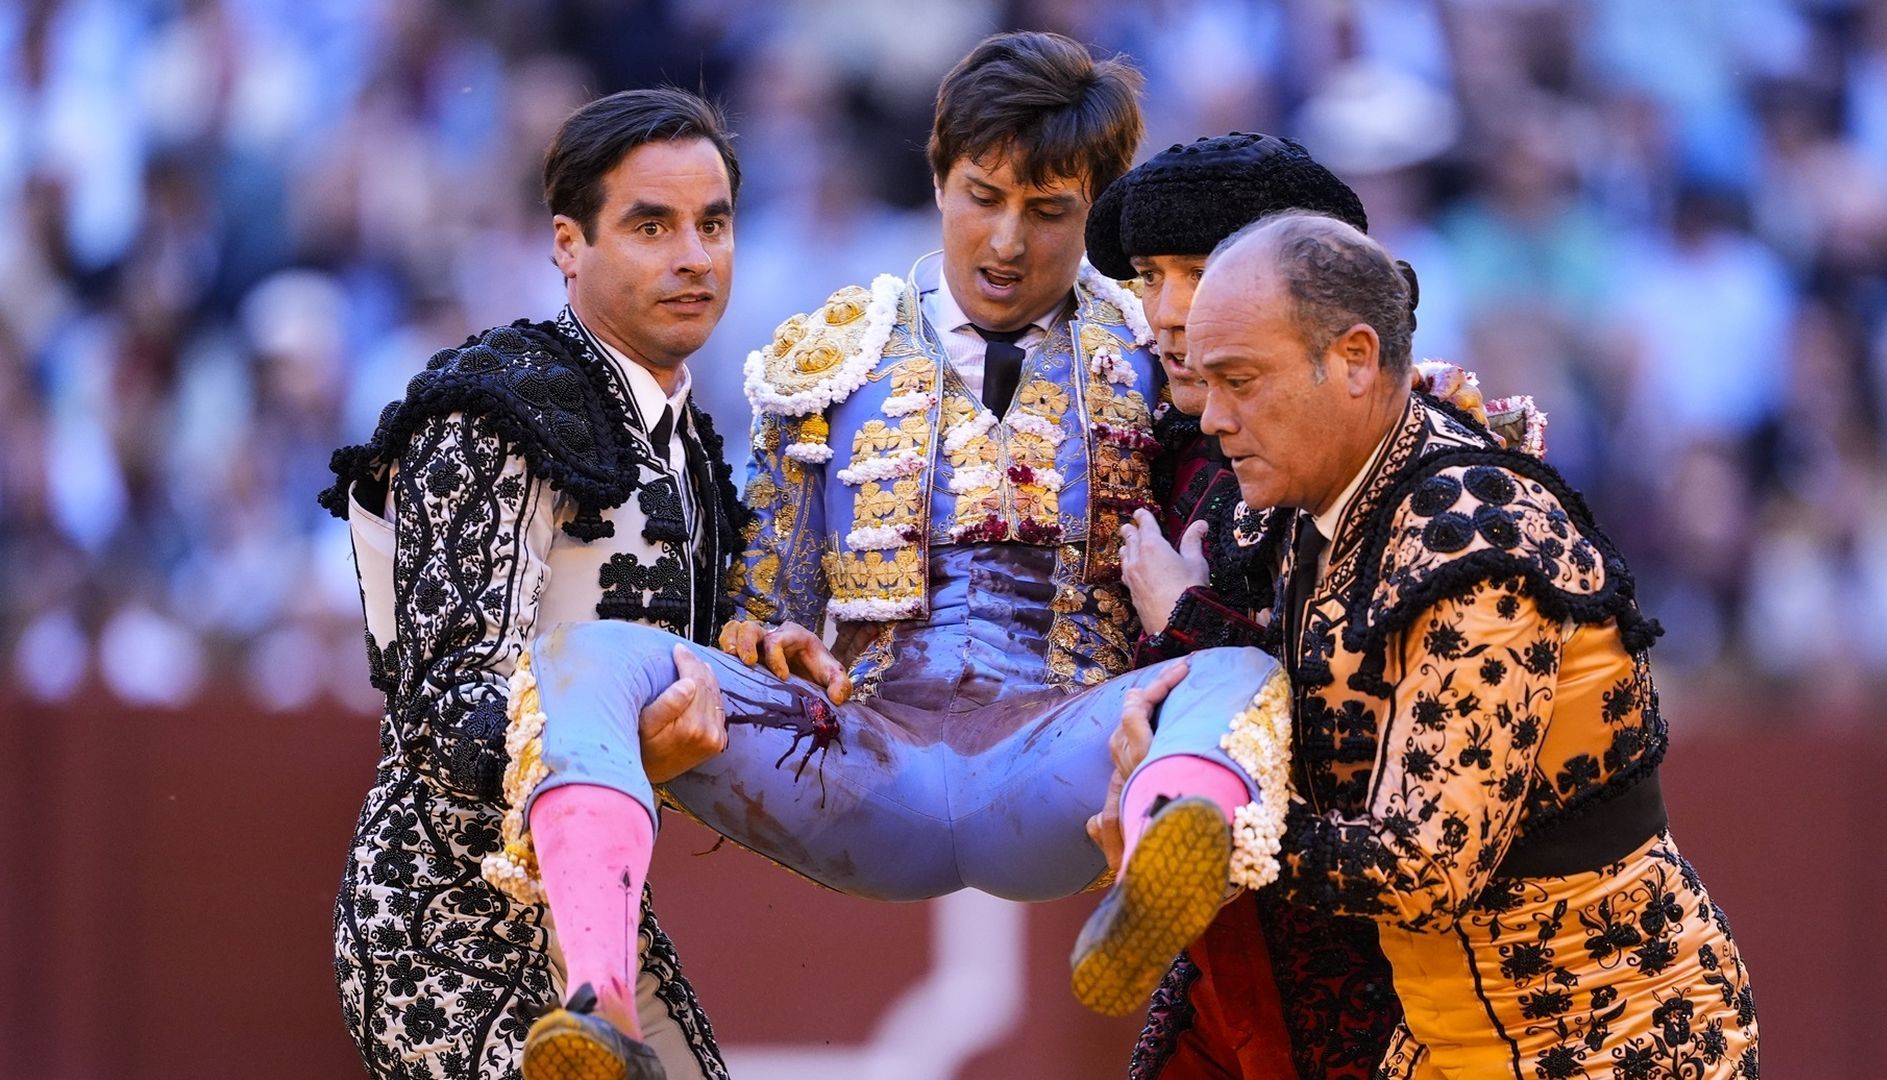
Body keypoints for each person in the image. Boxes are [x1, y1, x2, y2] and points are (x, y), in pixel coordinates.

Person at [475, 33, 1300, 1070]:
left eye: (1049, 213)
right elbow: (766, 596)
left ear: (1098, 208)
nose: (1007, 241)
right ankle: (599, 1005)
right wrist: (765, 633)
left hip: (1068, 767)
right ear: (937, 171)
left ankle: (1153, 857)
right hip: (858, 762)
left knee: (1237, 675)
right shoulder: (828, 353)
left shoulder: (1156, 351)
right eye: (983, 196)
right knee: (588, 658)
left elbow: (1296, 396)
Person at [1163, 209, 1759, 1077]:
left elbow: (1424, 869)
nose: (1213, 417)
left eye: (1241, 380)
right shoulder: (1316, 494)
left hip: (1615, 1036)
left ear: (1357, 360)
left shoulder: (1475, 535)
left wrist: (1212, 835)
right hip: (1449, 1041)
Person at [1085, 132, 1547, 1080]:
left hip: (1366, 940)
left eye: (1201, 273)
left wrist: (1188, 616)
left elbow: (1349, 719)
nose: (1171, 313)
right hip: (1237, 932)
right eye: (1149, 276)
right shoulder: (1157, 446)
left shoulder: (1409, 454)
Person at [321, 87, 759, 1080]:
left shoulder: (686, 444)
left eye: (714, 223)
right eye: (652, 225)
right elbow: (448, 701)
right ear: (569, 245)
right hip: (447, 921)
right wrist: (624, 754)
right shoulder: (495, 406)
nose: (694, 254)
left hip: (590, 913)